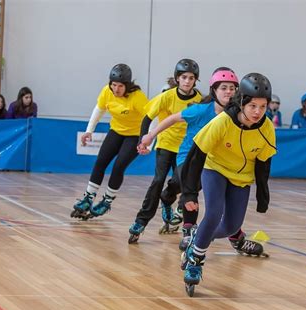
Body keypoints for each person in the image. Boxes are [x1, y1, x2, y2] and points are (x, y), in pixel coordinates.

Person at [137, 67, 267, 256]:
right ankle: (190, 231)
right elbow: (172, 119)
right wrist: (150, 135)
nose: (228, 92)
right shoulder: (200, 110)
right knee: (191, 185)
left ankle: (234, 235)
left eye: (232, 88)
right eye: (224, 88)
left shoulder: (240, 114)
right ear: (214, 90)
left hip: (216, 161)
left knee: (226, 198)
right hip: (189, 157)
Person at [180, 73, 276, 296]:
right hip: (215, 169)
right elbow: (196, 156)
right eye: (252, 105)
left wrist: (263, 197)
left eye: (263, 107)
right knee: (213, 214)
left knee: (232, 227)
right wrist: (189, 194)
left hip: (241, 178)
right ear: (241, 101)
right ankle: (195, 260)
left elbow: (263, 165)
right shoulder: (223, 121)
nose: (257, 112)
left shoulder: (267, 128)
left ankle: (198, 238)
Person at [128, 58, 202, 242]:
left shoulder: (200, 100)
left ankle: (167, 199)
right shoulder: (167, 96)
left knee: (183, 182)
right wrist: (142, 140)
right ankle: (141, 221)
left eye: (191, 78)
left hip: (186, 148)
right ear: (177, 78)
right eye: (184, 77)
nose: (187, 81)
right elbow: (147, 117)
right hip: (165, 144)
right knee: (158, 180)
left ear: (195, 80)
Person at [70, 64, 149, 219]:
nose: (116, 89)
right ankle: (88, 198)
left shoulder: (137, 97)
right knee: (100, 161)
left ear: (127, 85)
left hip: (134, 135)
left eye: (120, 86)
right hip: (116, 131)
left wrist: (148, 141)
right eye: (113, 85)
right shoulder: (107, 92)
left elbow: (152, 118)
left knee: (119, 166)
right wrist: (88, 131)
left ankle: (106, 202)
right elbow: (98, 110)